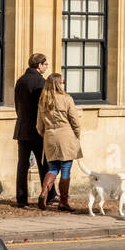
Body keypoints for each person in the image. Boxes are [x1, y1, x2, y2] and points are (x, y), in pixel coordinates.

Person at [36, 74, 82, 212]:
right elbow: (75, 121)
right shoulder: (67, 99)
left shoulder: (43, 101)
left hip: (50, 138)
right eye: (63, 82)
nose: (64, 84)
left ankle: (44, 193)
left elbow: (39, 126)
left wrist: (47, 135)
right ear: (58, 84)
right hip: (66, 136)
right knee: (65, 170)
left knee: (53, 168)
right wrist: (76, 136)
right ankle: (63, 202)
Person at [12, 53, 50, 208]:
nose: (47, 67)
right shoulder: (41, 82)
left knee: (22, 165)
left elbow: (17, 105)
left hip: (21, 128)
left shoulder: (20, 81)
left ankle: (21, 199)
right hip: (36, 129)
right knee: (44, 164)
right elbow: (43, 107)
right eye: (46, 64)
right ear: (39, 65)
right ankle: (48, 194)